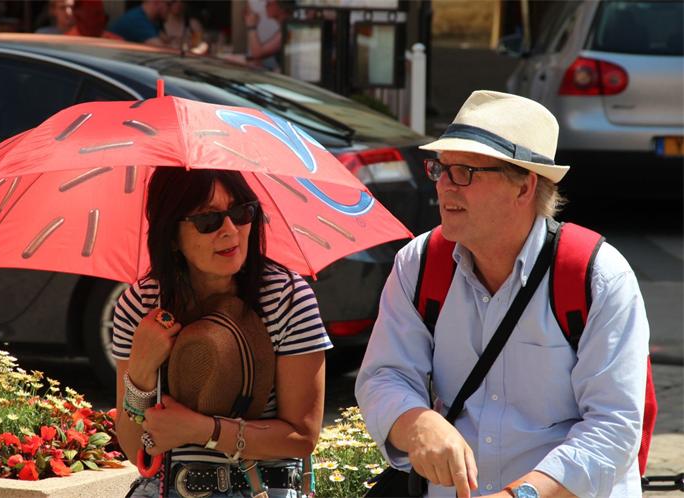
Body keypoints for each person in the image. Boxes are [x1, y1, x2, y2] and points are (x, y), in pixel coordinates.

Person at [355, 90, 649, 498]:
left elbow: (613, 428)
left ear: (524, 187)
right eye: (440, 168)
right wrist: (417, 421)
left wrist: (518, 495)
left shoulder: (597, 275)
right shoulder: (419, 263)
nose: (444, 186)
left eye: (464, 172)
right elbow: (384, 376)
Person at [113, 168, 332, 497]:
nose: (230, 230)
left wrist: (203, 430)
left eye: (241, 212)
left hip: (261, 490)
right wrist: (142, 373)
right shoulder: (142, 303)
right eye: (208, 220)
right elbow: (136, 451)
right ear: (171, 234)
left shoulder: (285, 297)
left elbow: (302, 437)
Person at [244, 0, 293, 71]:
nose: (265, 6)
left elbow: (258, 53)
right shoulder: (284, 27)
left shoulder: (288, 29)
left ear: (281, 7)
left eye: (268, 3)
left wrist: (252, 27)